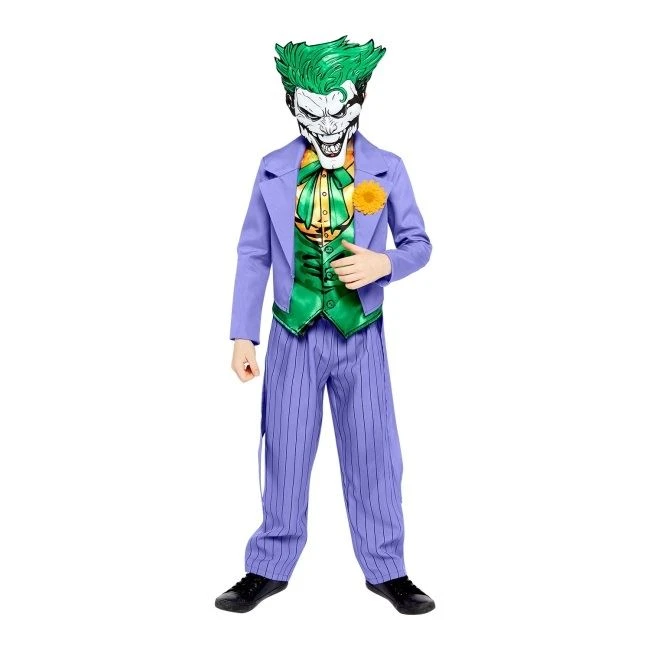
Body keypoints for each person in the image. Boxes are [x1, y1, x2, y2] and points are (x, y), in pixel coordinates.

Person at [215, 36, 435, 615]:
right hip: (293, 333)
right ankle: (269, 566)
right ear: (292, 104)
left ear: (359, 100)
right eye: (313, 112)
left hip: (360, 332)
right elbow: (253, 254)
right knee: (284, 451)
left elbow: (419, 243)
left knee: (374, 451)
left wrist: (384, 263)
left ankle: (387, 569)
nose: (328, 125)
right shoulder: (272, 169)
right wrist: (243, 334)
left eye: (339, 109)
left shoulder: (388, 169)